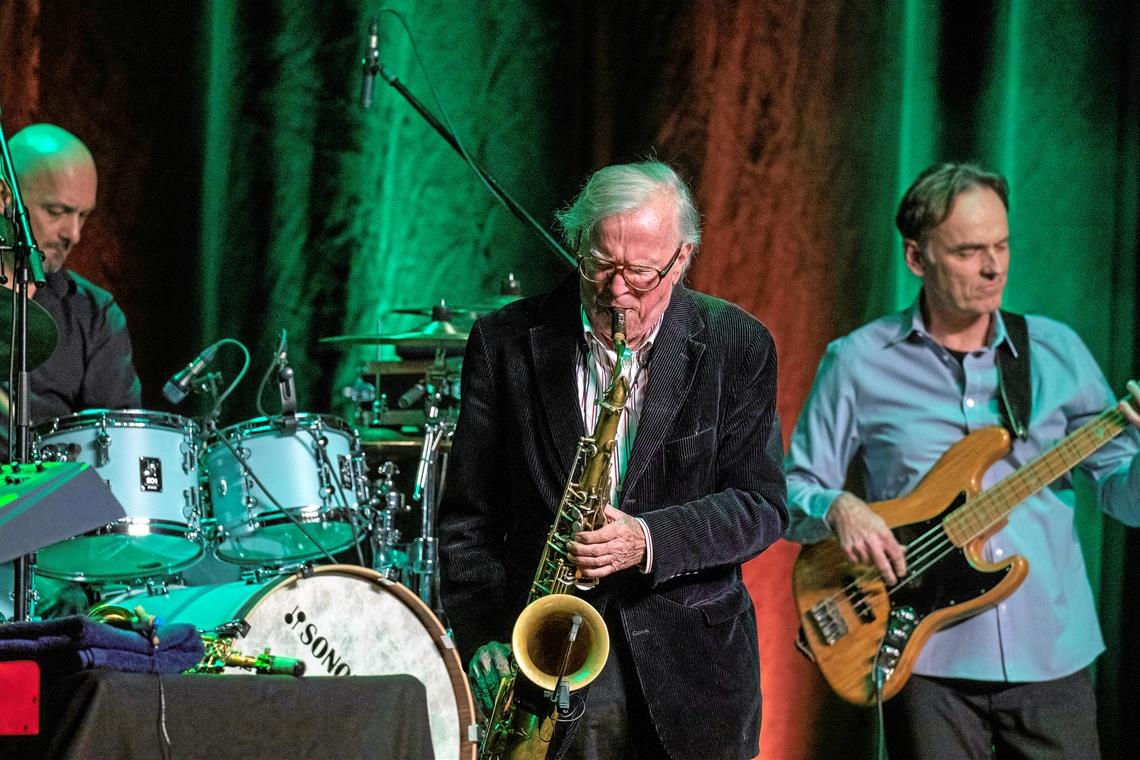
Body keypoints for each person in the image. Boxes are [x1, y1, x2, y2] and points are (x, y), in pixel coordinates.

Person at [784, 162, 1140, 759]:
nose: (994, 266)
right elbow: (792, 492)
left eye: (1001, 246)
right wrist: (839, 507)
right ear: (917, 257)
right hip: (923, 664)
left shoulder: (1057, 352)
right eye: (970, 250)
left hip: (1051, 656)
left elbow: (1123, 495)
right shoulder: (857, 361)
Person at [437, 160, 788, 760]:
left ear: (682, 260)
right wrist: (486, 635)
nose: (617, 291)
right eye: (600, 264)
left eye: (640, 273)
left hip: (694, 675)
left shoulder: (738, 344)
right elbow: (466, 519)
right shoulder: (503, 343)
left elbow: (760, 505)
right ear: (576, 243)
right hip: (551, 669)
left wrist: (647, 539)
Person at [0, 123, 141, 619]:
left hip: (58, 534)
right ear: (4, 196)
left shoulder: (93, 313)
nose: (73, 234)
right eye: (57, 212)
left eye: (83, 216)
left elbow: (121, 454)